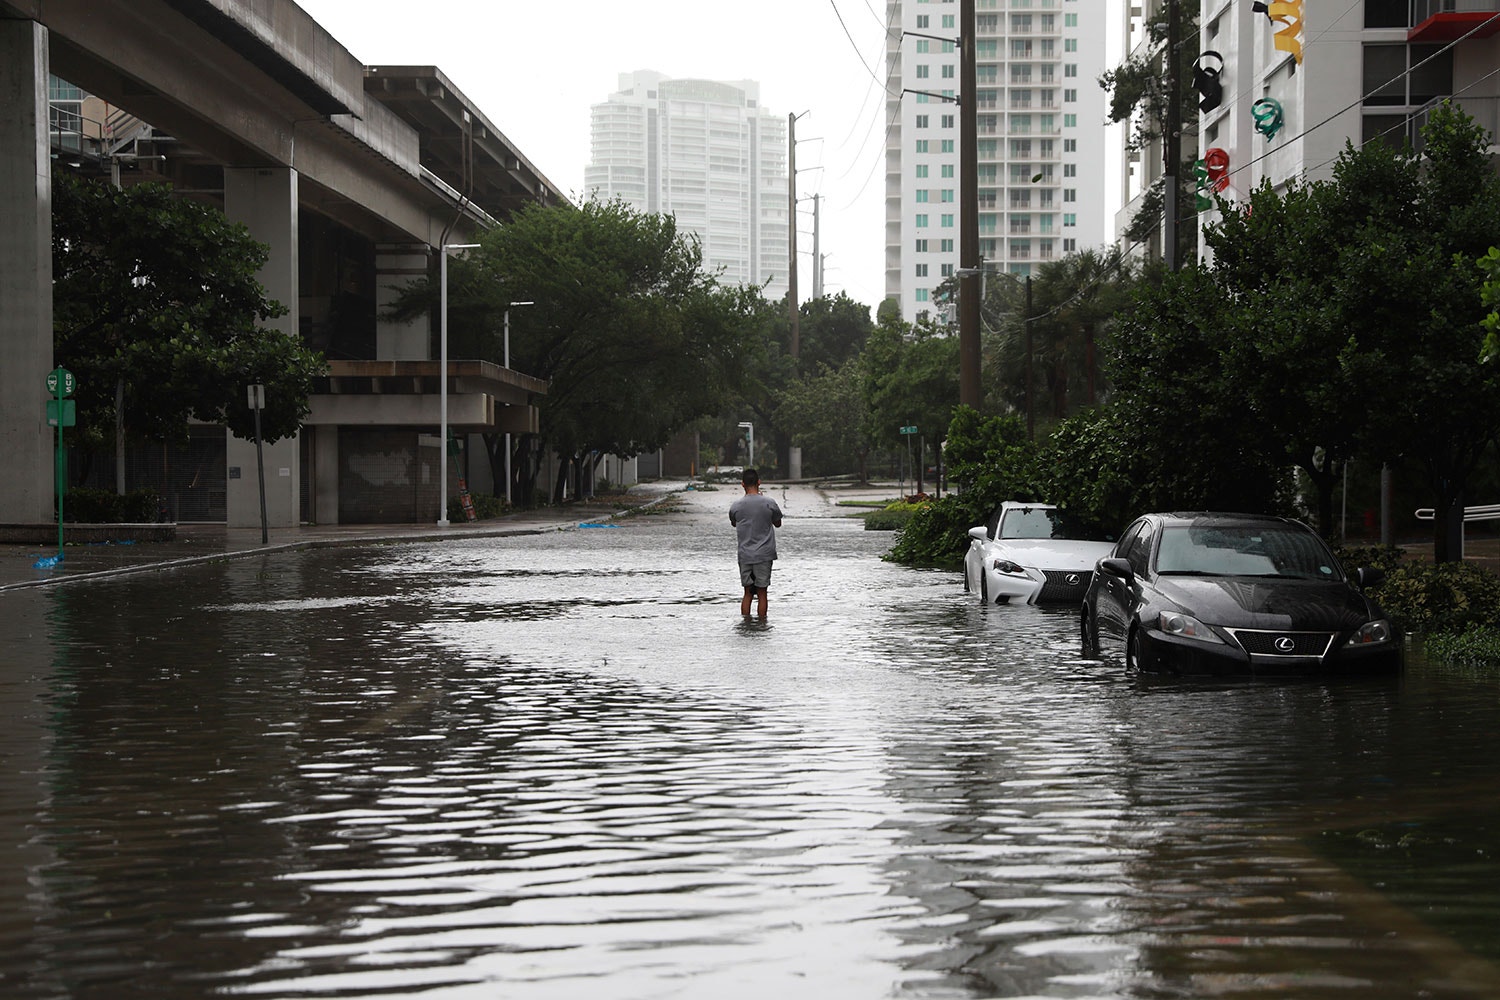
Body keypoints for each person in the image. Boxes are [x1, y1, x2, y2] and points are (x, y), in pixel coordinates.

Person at [728, 468, 783, 618]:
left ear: (742, 484)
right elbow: (777, 523)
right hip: (764, 555)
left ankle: (746, 624)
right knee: (762, 593)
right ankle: (762, 625)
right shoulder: (769, 503)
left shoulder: (736, 506)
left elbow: (734, 523)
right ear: (759, 482)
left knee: (747, 593)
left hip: (745, 555)